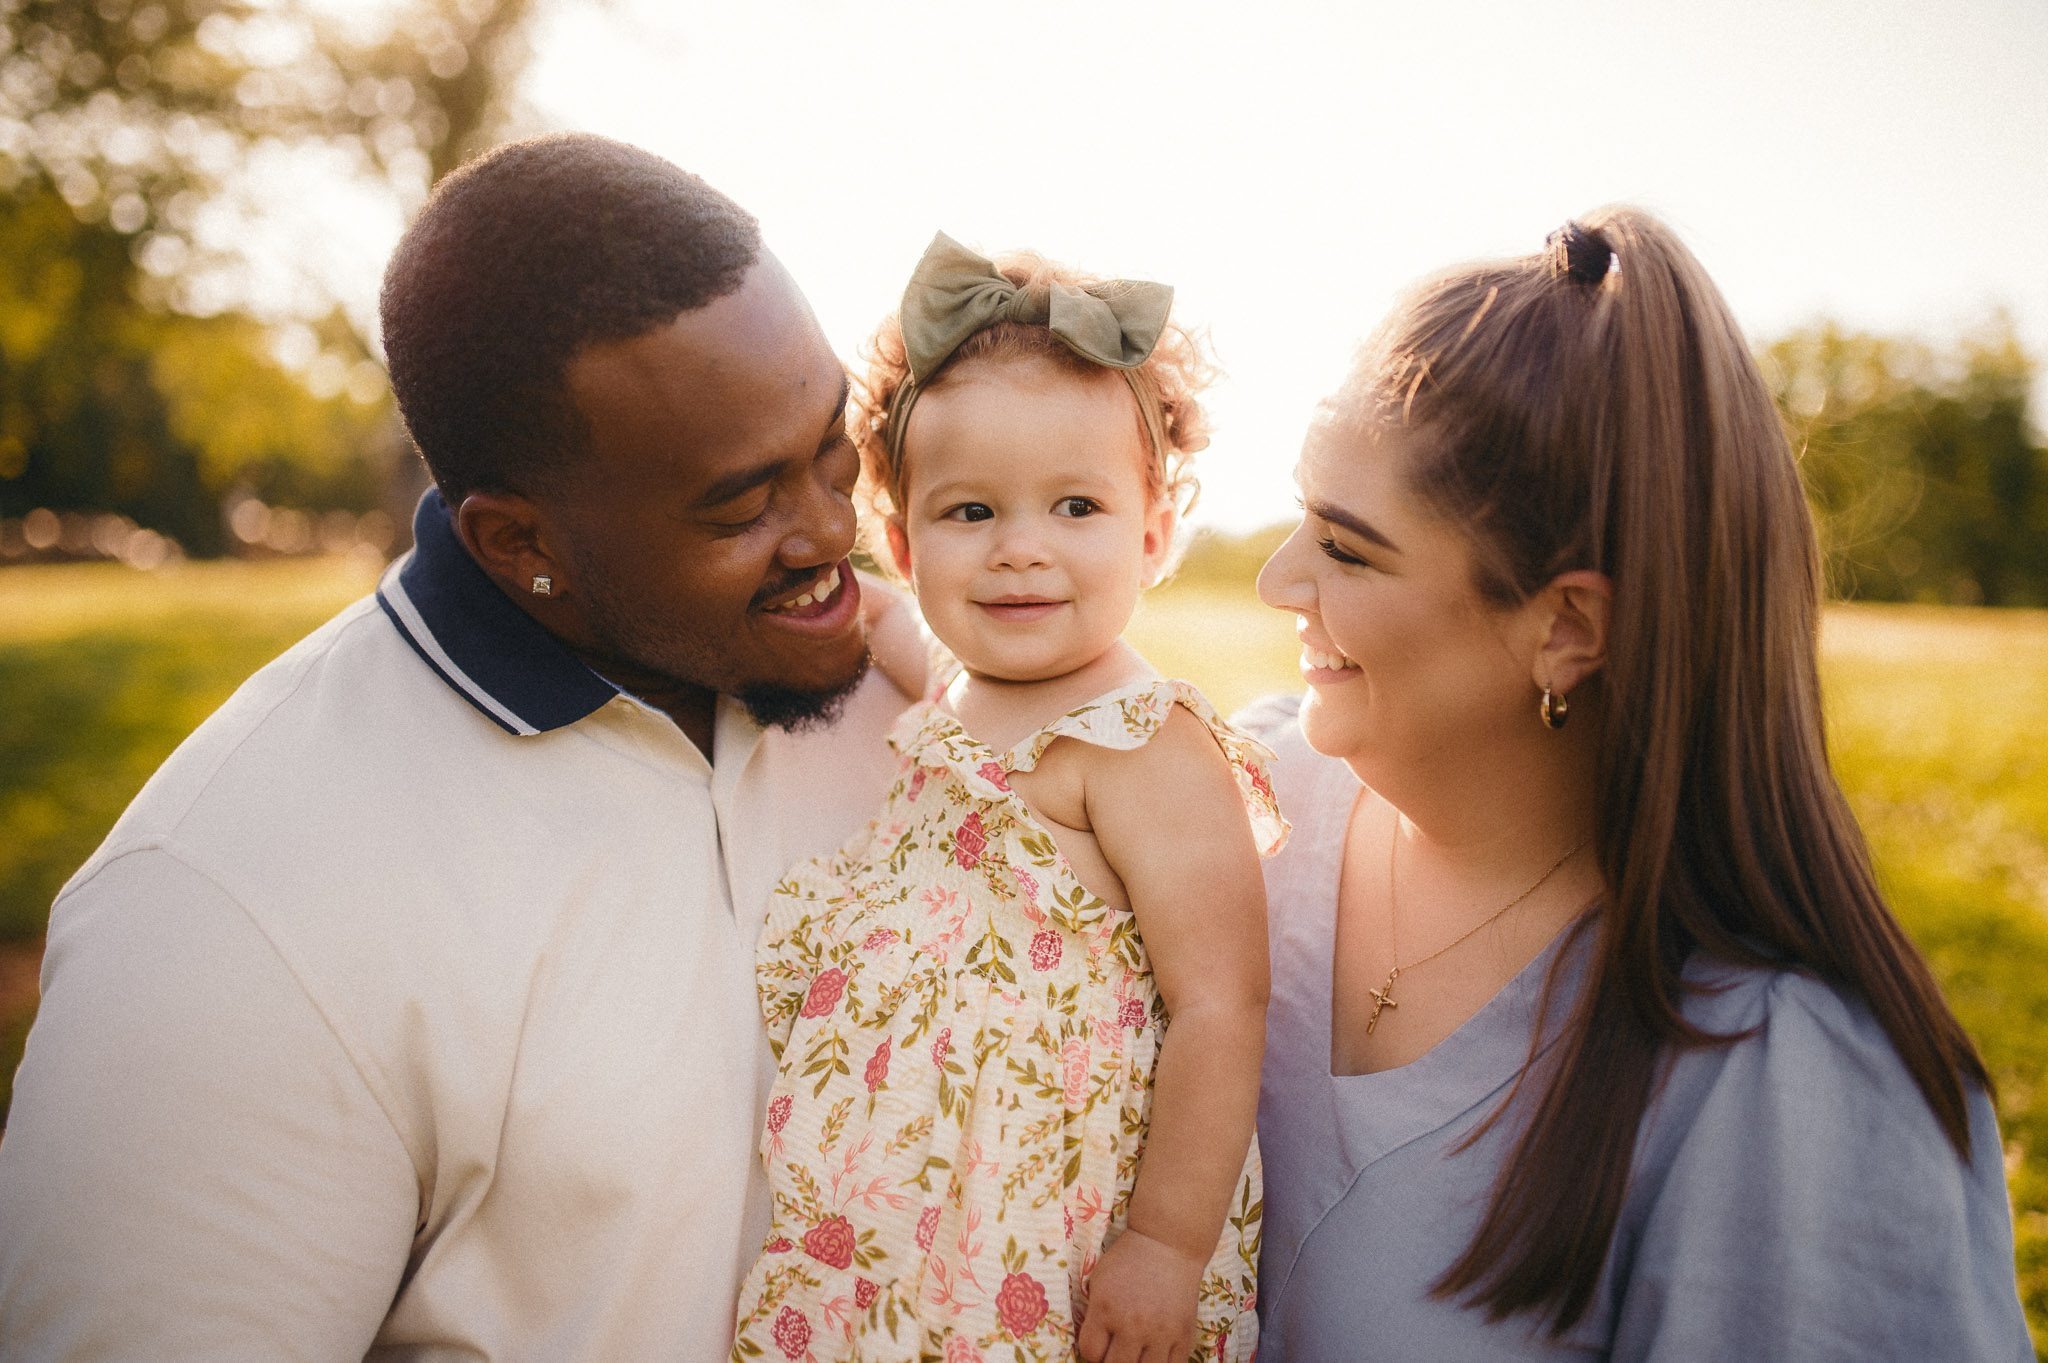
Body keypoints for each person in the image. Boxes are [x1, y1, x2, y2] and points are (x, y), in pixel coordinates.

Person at [0, 133, 923, 1360]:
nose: (830, 529)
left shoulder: (922, 703)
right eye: (743, 504)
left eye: (832, 449)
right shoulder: (224, 909)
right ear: (513, 540)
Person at [1238, 207, 2034, 1360]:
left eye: (1345, 548)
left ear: (1566, 627)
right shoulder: (1235, 803)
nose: (1274, 582)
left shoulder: (1786, 1086)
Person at [729, 235, 1284, 1363]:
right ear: (901, 542)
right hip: (910, 1212)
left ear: (1152, 533)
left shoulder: (1139, 740)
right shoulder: (960, 690)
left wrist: (1167, 1246)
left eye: (1074, 507)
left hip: (1057, 1221)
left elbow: (1223, 1003)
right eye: (970, 513)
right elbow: (882, 625)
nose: (1020, 552)